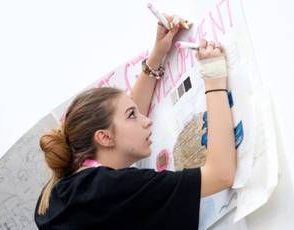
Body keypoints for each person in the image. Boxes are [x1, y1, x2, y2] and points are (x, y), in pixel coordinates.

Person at [34, 14, 237, 230]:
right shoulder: (115, 188)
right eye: (133, 115)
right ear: (104, 137)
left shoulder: (55, 197)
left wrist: (157, 55)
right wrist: (214, 76)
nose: (147, 120)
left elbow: (119, 120)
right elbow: (221, 174)